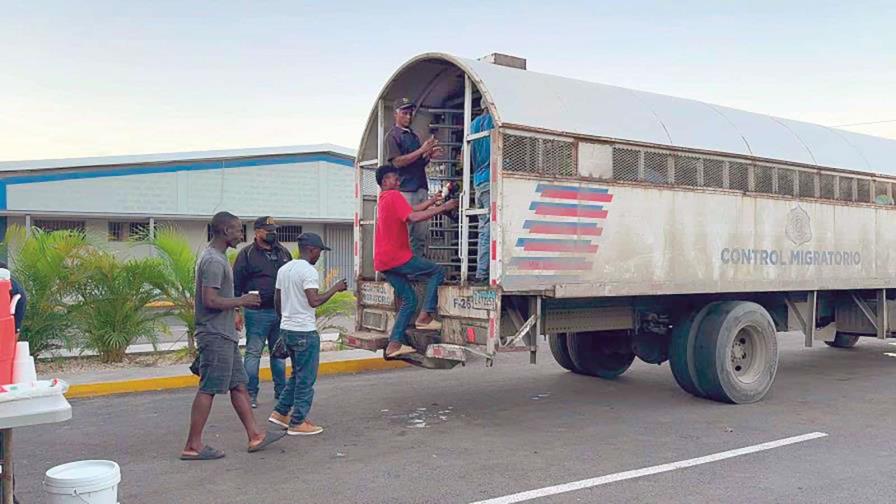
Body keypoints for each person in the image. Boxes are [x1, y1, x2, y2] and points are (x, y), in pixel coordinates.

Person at [181, 211, 284, 461]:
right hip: (215, 334)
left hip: (224, 334)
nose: (241, 234)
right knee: (208, 388)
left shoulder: (217, 257)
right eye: (238, 229)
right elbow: (210, 300)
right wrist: (243, 300)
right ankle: (193, 445)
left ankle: (255, 435)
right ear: (226, 231)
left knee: (239, 385)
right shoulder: (214, 261)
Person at [373, 165, 458, 358]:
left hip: (383, 261)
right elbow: (412, 217)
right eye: (395, 178)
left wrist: (432, 201)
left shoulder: (384, 199)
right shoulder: (393, 195)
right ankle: (425, 316)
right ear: (385, 181)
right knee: (436, 271)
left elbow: (410, 210)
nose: (398, 181)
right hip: (397, 257)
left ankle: (394, 344)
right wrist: (443, 208)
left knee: (409, 300)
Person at [268, 233, 347, 435]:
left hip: (287, 329)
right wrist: (335, 289)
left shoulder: (284, 269)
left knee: (296, 375)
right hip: (304, 331)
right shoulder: (309, 272)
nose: (320, 255)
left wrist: (285, 319)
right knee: (306, 379)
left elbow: (277, 299)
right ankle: (298, 422)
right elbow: (315, 301)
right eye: (319, 251)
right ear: (312, 250)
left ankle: (280, 412)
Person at [233, 216, 292, 408]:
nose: (272, 233)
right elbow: (236, 285)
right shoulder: (247, 254)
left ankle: (281, 393)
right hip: (256, 313)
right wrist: (236, 311)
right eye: (268, 230)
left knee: (279, 353)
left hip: (280, 312)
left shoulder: (283, 252)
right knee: (253, 353)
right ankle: (251, 394)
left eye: (274, 230)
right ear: (257, 232)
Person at [386, 97, 443, 257]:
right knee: (406, 232)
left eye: (410, 113)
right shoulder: (392, 136)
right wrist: (421, 151)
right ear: (396, 114)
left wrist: (429, 155)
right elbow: (397, 162)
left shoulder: (413, 136)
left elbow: (417, 163)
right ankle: (405, 266)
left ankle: (417, 269)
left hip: (420, 187)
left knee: (420, 234)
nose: (408, 117)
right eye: (404, 113)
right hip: (405, 190)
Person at [470, 103, 494, 283]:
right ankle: (482, 273)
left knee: (483, 229)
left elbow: (466, 156)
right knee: (489, 229)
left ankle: (481, 270)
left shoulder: (473, 124)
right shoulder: (494, 121)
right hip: (491, 180)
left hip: (478, 181)